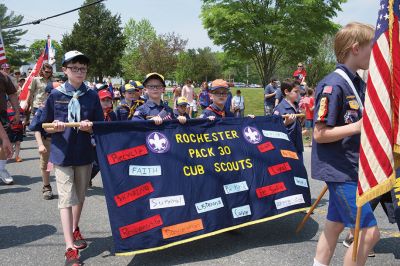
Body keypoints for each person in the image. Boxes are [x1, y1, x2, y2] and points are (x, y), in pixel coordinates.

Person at [311, 22, 379, 266]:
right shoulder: (334, 85)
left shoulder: (358, 83)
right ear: (356, 48)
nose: (376, 52)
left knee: (334, 227)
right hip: (341, 171)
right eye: (373, 46)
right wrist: (357, 126)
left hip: (351, 167)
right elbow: (319, 134)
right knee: (368, 234)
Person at [40, 50, 103, 265]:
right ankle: (69, 247)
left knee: (80, 196)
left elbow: (100, 126)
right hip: (62, 154)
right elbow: (41, 124)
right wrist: (53, 128)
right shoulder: (56, 95)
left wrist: (90, 128)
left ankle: (75, 228)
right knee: (66, 199)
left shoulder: (92, 96)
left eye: (83, 68)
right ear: (65, 70)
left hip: (84, 153)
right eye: (74, 68)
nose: (79, 72)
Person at [29, 82, 59, 200]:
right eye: (55, 93)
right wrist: (40, 145)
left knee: (65, 164)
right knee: (47, 165)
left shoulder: (66, 106)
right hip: (48, 141)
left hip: (63, 142)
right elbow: (36, 128)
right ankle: (47, 186)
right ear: (48, 94)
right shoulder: (42, 108)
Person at [89, 89, 117, 187]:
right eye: (103, 100)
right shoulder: (94, 113)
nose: (106, 103)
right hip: (95, 142)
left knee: (105, 164)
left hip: (107, 143)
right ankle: (87, 178)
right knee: (95, 164)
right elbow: (90, 128)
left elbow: (115, 128)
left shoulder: (112, 114)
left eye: (108, 100)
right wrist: (92, 139)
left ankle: (110, 185)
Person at [273, 81, 304, 161]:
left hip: (298, 146)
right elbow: (273, 129)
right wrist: (285, 123)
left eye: (299, 92)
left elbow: (299, 125)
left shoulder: (296, 105)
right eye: (296, 91)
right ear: (286, 92)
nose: (298, 94)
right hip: (286, 148)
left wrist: (302, 120)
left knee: (300, 172)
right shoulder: (279, 108)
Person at [0, 68, 20, 185]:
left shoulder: (3, 76)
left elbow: (12, 94)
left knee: (3, 143)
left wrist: (17, 111)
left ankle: (1, 169)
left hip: (2, 114)